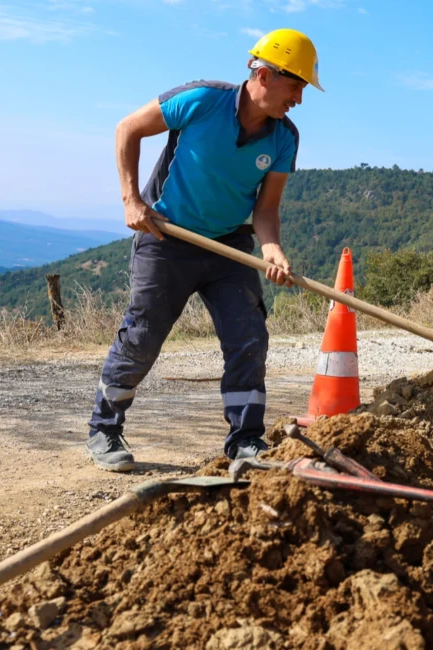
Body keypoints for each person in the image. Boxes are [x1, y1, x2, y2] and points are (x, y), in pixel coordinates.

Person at [85, 28, 324, 472]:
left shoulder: (284, 138)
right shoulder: (200, 100)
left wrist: (272, 249)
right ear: (266, 75)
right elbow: (128, 129)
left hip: (229, 246)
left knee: (248, 337)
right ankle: (105, 428)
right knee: (142, 335)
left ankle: (245, 440)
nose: (299, 100)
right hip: (166, 237)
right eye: (296, 86)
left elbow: (266, 209)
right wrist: (131, 200)